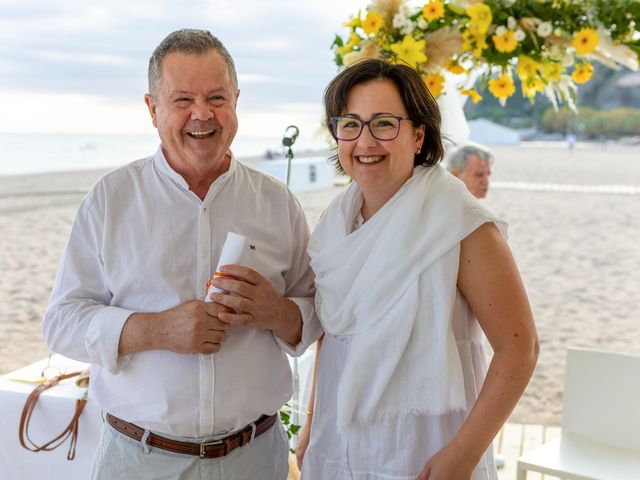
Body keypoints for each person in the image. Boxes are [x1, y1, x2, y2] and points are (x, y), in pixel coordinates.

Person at [41, 29, 321, 480]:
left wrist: (277, 312)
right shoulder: (110, 199)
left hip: (257, 458)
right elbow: (61, 322)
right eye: (182, 99)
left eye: (216, 97)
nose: (202, 114)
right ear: (153, 109)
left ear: (236, 102)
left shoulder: (277, 203)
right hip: (137, 459)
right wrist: (154, 330)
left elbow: (315, 318)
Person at [296, 59, 539, 480]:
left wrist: (462, 455)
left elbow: (520, 348)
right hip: (338, 446)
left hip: (426, 449)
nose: (365, 141)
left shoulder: (461, 223)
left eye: (384, 123)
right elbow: (333, 335)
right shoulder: (333, 225)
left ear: (418, 134)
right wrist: (312, 422)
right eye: (350, 124)